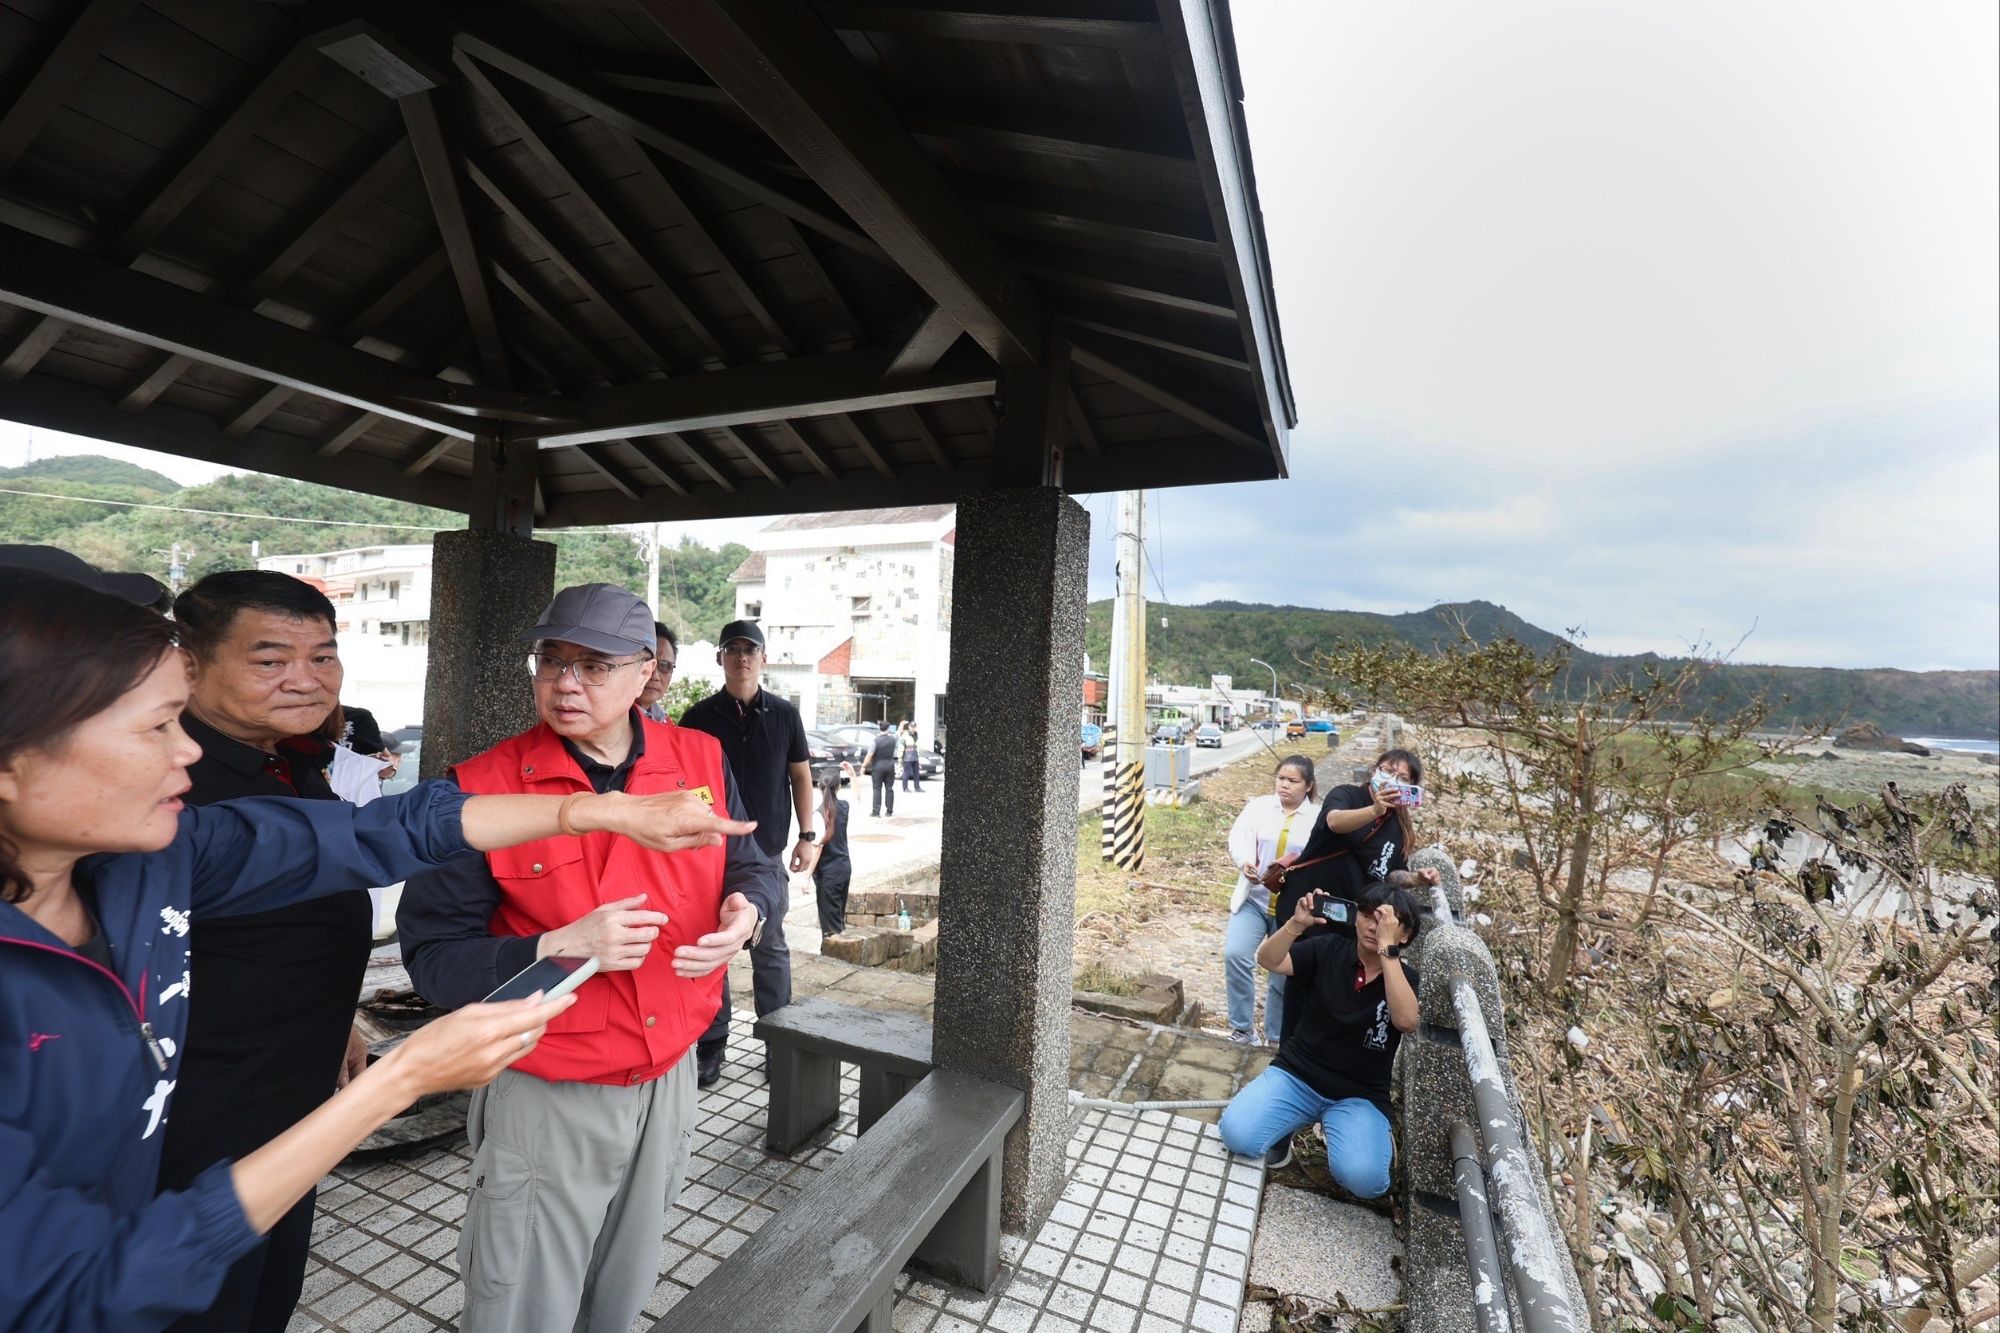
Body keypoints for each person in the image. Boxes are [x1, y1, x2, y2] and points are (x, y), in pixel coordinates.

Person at [0, 571, 747, 1332]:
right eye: (154, 726)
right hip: (210, 1151)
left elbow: (372, 835)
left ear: (644, 674)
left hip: (285, 1114)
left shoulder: (165, 850)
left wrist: (589, 810)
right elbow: (80, 1286)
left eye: (595, 664)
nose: (186, 751)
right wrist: (405, 1078)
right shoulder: (114, 882)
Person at [397, 584, 787, 1332]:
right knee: (521, 1304)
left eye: (594, 665)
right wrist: (552, 947)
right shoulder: (481, 788)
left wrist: (750, 909)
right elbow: (435, 958)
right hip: (550, 1086)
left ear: (648, 672)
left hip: (670, 1072)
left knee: (621, 1292)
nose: (566, 683)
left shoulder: (698, 755)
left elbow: (752, 860)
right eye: (552, 660)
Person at [156, 570, 373, 1333]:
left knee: (268, 1299)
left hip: (295, 1101)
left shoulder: (294, 760)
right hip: (198, 1125)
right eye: (271, 657)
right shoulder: (166, 780)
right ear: (190, 663)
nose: (305, 680)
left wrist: (337, 1018)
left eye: (323, 656)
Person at [679, 618, 819, 1086]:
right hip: (708, 854)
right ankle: (712, 1042)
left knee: (771, 948)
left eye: (750, 650)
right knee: (712, 947)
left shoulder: (784, 714)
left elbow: (801, 775)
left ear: (763, 658)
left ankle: (777, 1041)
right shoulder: (697, 717)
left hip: (767, 851)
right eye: (733, 649)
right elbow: (683, 783)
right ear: (720, 658)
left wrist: (808, 834)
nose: (742, 657)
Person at [1217, 873, 1424, 1188]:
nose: (1373, 926)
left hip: (1359, 1095)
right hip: (1297, 1074)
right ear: (1354, 917)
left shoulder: (1403, 978)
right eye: (1368, 915)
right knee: (1237, 1135)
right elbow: (1268, 960)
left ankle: (1364, 1135)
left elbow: (1407, 1021)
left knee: (1365, 1182)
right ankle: (1294, 1124)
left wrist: (1387, 951)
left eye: (1385, 922)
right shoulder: (1328, 948)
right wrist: (1295, 925)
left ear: (1404, 935)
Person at [1269, 748, 1428, 1045]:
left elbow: (1390, 873)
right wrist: (1374, 810)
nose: (1392, 779)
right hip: (1313, 910)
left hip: (1349, 923)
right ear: (1374, 769)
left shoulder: (1399, 827)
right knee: (1297, 983)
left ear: (1412, 788)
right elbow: (1334, 821)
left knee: (1331, 992)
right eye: (1388, 770)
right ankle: (1288, 1052)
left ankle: (1320, 1053)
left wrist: (1417, 879)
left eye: (1402, 777)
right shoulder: (1348, 795)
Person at [1223, 755, 1320, 1046]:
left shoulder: (1317, 819)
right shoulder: (1259, 807)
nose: (1285, 786)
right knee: (1235, 955)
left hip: (1290, 910)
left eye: (1293, 781)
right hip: (1254, 899)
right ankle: (1242, 1029)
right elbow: (1238, 838)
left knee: (1280, 975)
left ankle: (1276, 1037)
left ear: (1308, 786)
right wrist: (1245, 863)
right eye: (1281, 779)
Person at [811, 772, 852, 937]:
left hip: (828, 875)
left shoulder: (819, 814)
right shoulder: (844, 806)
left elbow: (817, 848)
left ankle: (833, 955)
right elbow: (858, 797)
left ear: (819, 787)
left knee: (830, 925)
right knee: (838, 918)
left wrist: (806, 876)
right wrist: (854, 776)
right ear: (839, 787)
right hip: (844, 868)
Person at [637, 620, 679, 723]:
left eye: (665, 666)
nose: (654, 675)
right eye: (645, 662)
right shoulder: (610, 722)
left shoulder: (666, 722)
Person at [867, 720, 897, 816]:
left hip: (877, 767)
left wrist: (863, 766)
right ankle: (889, 811)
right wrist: (901, 725)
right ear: (888, 729)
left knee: (877, 789)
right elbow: (898, 734)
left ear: (879, 728)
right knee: (889, 789)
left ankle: (876, 812)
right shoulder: (893, 739)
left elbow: (870, 755)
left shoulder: (875, 741)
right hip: (890, 766)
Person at [900, 722, 923, 793]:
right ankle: (905, 788)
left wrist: (919, 757)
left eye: (914, 727)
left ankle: (917, 787)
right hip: (907, 758)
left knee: (916, 773)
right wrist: (899, 757)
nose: (913, 728)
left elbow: (917, 747)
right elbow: (901, 746)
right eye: (911, 727)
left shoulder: (916, 734)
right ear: (909, 727)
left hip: (915, 757)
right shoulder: (905, 735)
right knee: (906, 773)